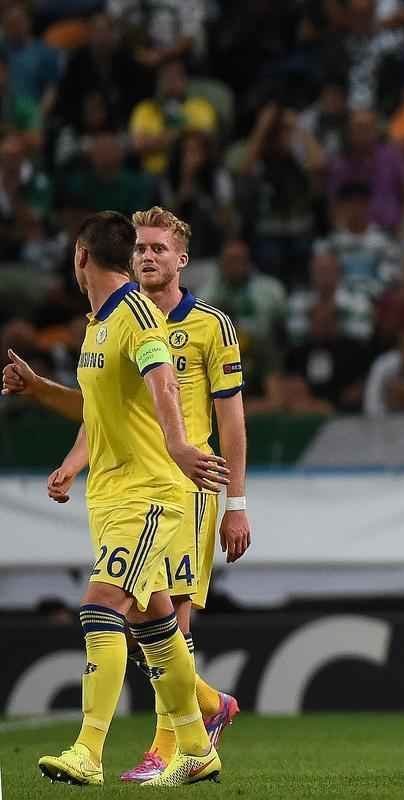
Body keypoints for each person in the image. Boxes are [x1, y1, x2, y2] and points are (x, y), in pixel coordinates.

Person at [2, 207, 249, 783]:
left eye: (159, 248)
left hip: (155, 491)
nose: (148, 256)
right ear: (124, 252)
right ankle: (200, 734)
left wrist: (182, 447)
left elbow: (164, 378)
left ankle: (88, 751)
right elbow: (98, 411)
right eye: (140, 247)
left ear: (81, 256)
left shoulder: (139, 316)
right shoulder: (99, 324)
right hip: (112, 491)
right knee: (154, 627)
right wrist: (39, 392)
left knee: (101, 606)